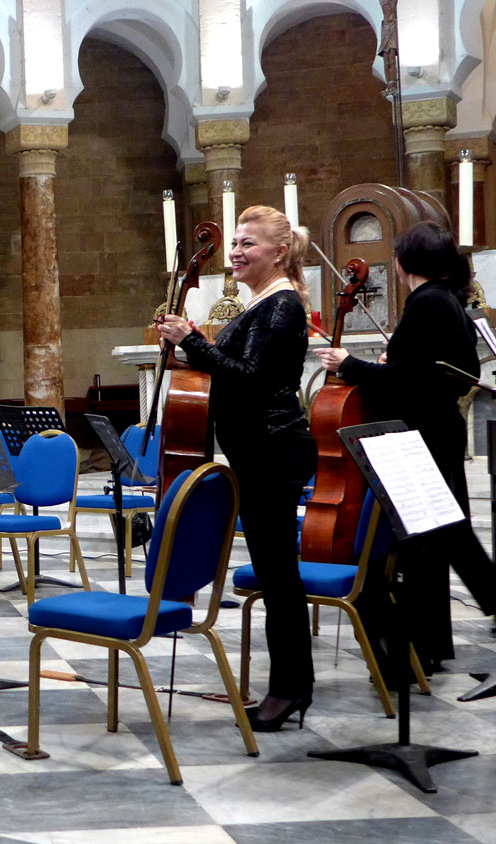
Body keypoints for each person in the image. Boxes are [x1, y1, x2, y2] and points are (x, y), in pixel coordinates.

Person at [313, 219, 496, 674]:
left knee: (427, 538)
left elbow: (415, 380)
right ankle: (465, 621)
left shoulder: (427, 303)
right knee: (441, 532)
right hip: (438, 428)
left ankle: (476, 615)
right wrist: (390, 363)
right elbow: (428, 369)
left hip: (424, 431)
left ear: (403, 262)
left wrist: (352, 365)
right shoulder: (446, 301)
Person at [156, 206, 317, 732]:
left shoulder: (281, 305)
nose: (236, 252)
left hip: (274, 451)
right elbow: (231, 374)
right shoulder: (261, 303)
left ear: (278, 252)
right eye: (235, 243)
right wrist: (189, 351)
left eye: (248, 243)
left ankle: (290, 688)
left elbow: (249, 379)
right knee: (274, 573)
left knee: (278, 576)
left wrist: (194, 341)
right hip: (258, 451)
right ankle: (288, 685)